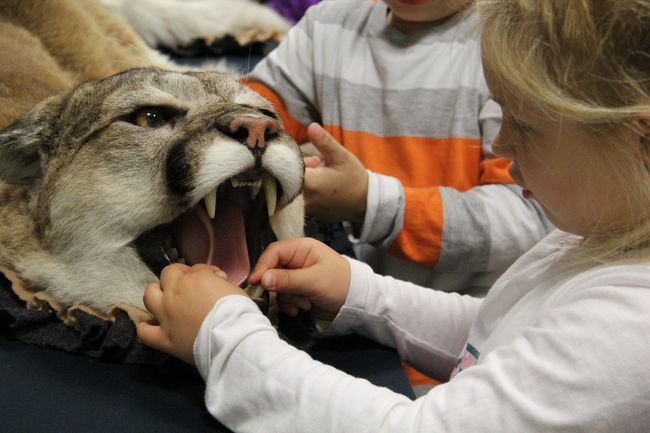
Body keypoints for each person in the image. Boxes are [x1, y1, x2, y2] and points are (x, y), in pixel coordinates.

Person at [137, 0, 650, 431]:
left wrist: (223, 335)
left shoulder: (631, 325)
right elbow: (495, 331)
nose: (501, 142)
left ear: (641, 140)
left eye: (523, 124)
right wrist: (359, 292)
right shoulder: (594, 232)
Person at [245, 0, 552, 294]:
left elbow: (526, 223)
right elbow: (252, 113)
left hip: (482, 315)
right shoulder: (327, 28)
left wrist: (368, 202)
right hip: (362, 297)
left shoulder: (513, 42)